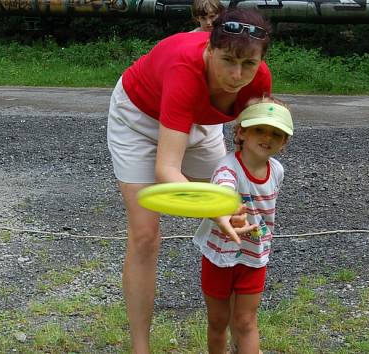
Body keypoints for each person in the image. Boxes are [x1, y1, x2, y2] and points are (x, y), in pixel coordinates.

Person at [106, 8, 273, 353]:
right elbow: (167, 169)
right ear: (209, 48)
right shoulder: (185, 68)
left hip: (197, 122)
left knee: (237, 213)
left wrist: (230, 202)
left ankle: (241, 326)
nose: (236, 75)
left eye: (248, 64)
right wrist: (215, 209)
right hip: (138, 119)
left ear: (260, 61)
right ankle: (141, 349)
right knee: (145, 235)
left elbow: (248, 152)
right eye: (227, 60)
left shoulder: (258, 80)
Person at [193, 97, 293, 354]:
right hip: (219, 256)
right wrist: (229, 210)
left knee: (246, 321)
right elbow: (223, 191)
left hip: (254, 256)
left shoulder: (277, 170)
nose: (267, 137)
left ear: (284, 143)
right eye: (259, 129)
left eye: (276, 134)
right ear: (241, 132)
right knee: (218, 321)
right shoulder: (227, 169)